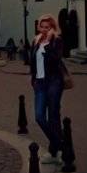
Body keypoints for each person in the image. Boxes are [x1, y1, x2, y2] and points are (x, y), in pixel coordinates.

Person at [29, 16, 69, 162]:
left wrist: (48, 44)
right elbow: (32, 61)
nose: (45, 30)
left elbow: (55, 59)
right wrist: (33, 79)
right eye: (42, 26)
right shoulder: (36, 41)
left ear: (53, 28)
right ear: (39, 27)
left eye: (48, 27)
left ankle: (54, 151)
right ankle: (60, 145)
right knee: (39, 116)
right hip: (40, 83)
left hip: (53, 81)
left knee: (53, 115)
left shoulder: (56, 41)